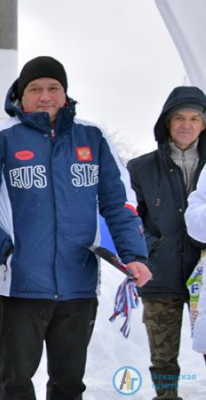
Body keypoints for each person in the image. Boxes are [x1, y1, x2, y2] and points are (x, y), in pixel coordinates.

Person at [0, 56, 153, 400]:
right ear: (21, 95)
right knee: (16, 386)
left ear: (65, 94)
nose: (45, 96)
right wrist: (4, 251)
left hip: (78, 287)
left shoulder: (93, 137)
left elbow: (120, 203)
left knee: (68, 385)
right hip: (19, 289)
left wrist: (133, 254)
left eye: (53, 88)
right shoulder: (0, 139)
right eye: (35, 89)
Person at [127, 86, 206, 399]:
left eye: (195, 118)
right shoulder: (140, 168)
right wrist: (150, 248)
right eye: (178, 118)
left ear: (204, 124)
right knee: (162, 359)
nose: (186, 125)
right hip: (160, 274)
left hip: (205, 277)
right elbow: (131, 218)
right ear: (166, 123)